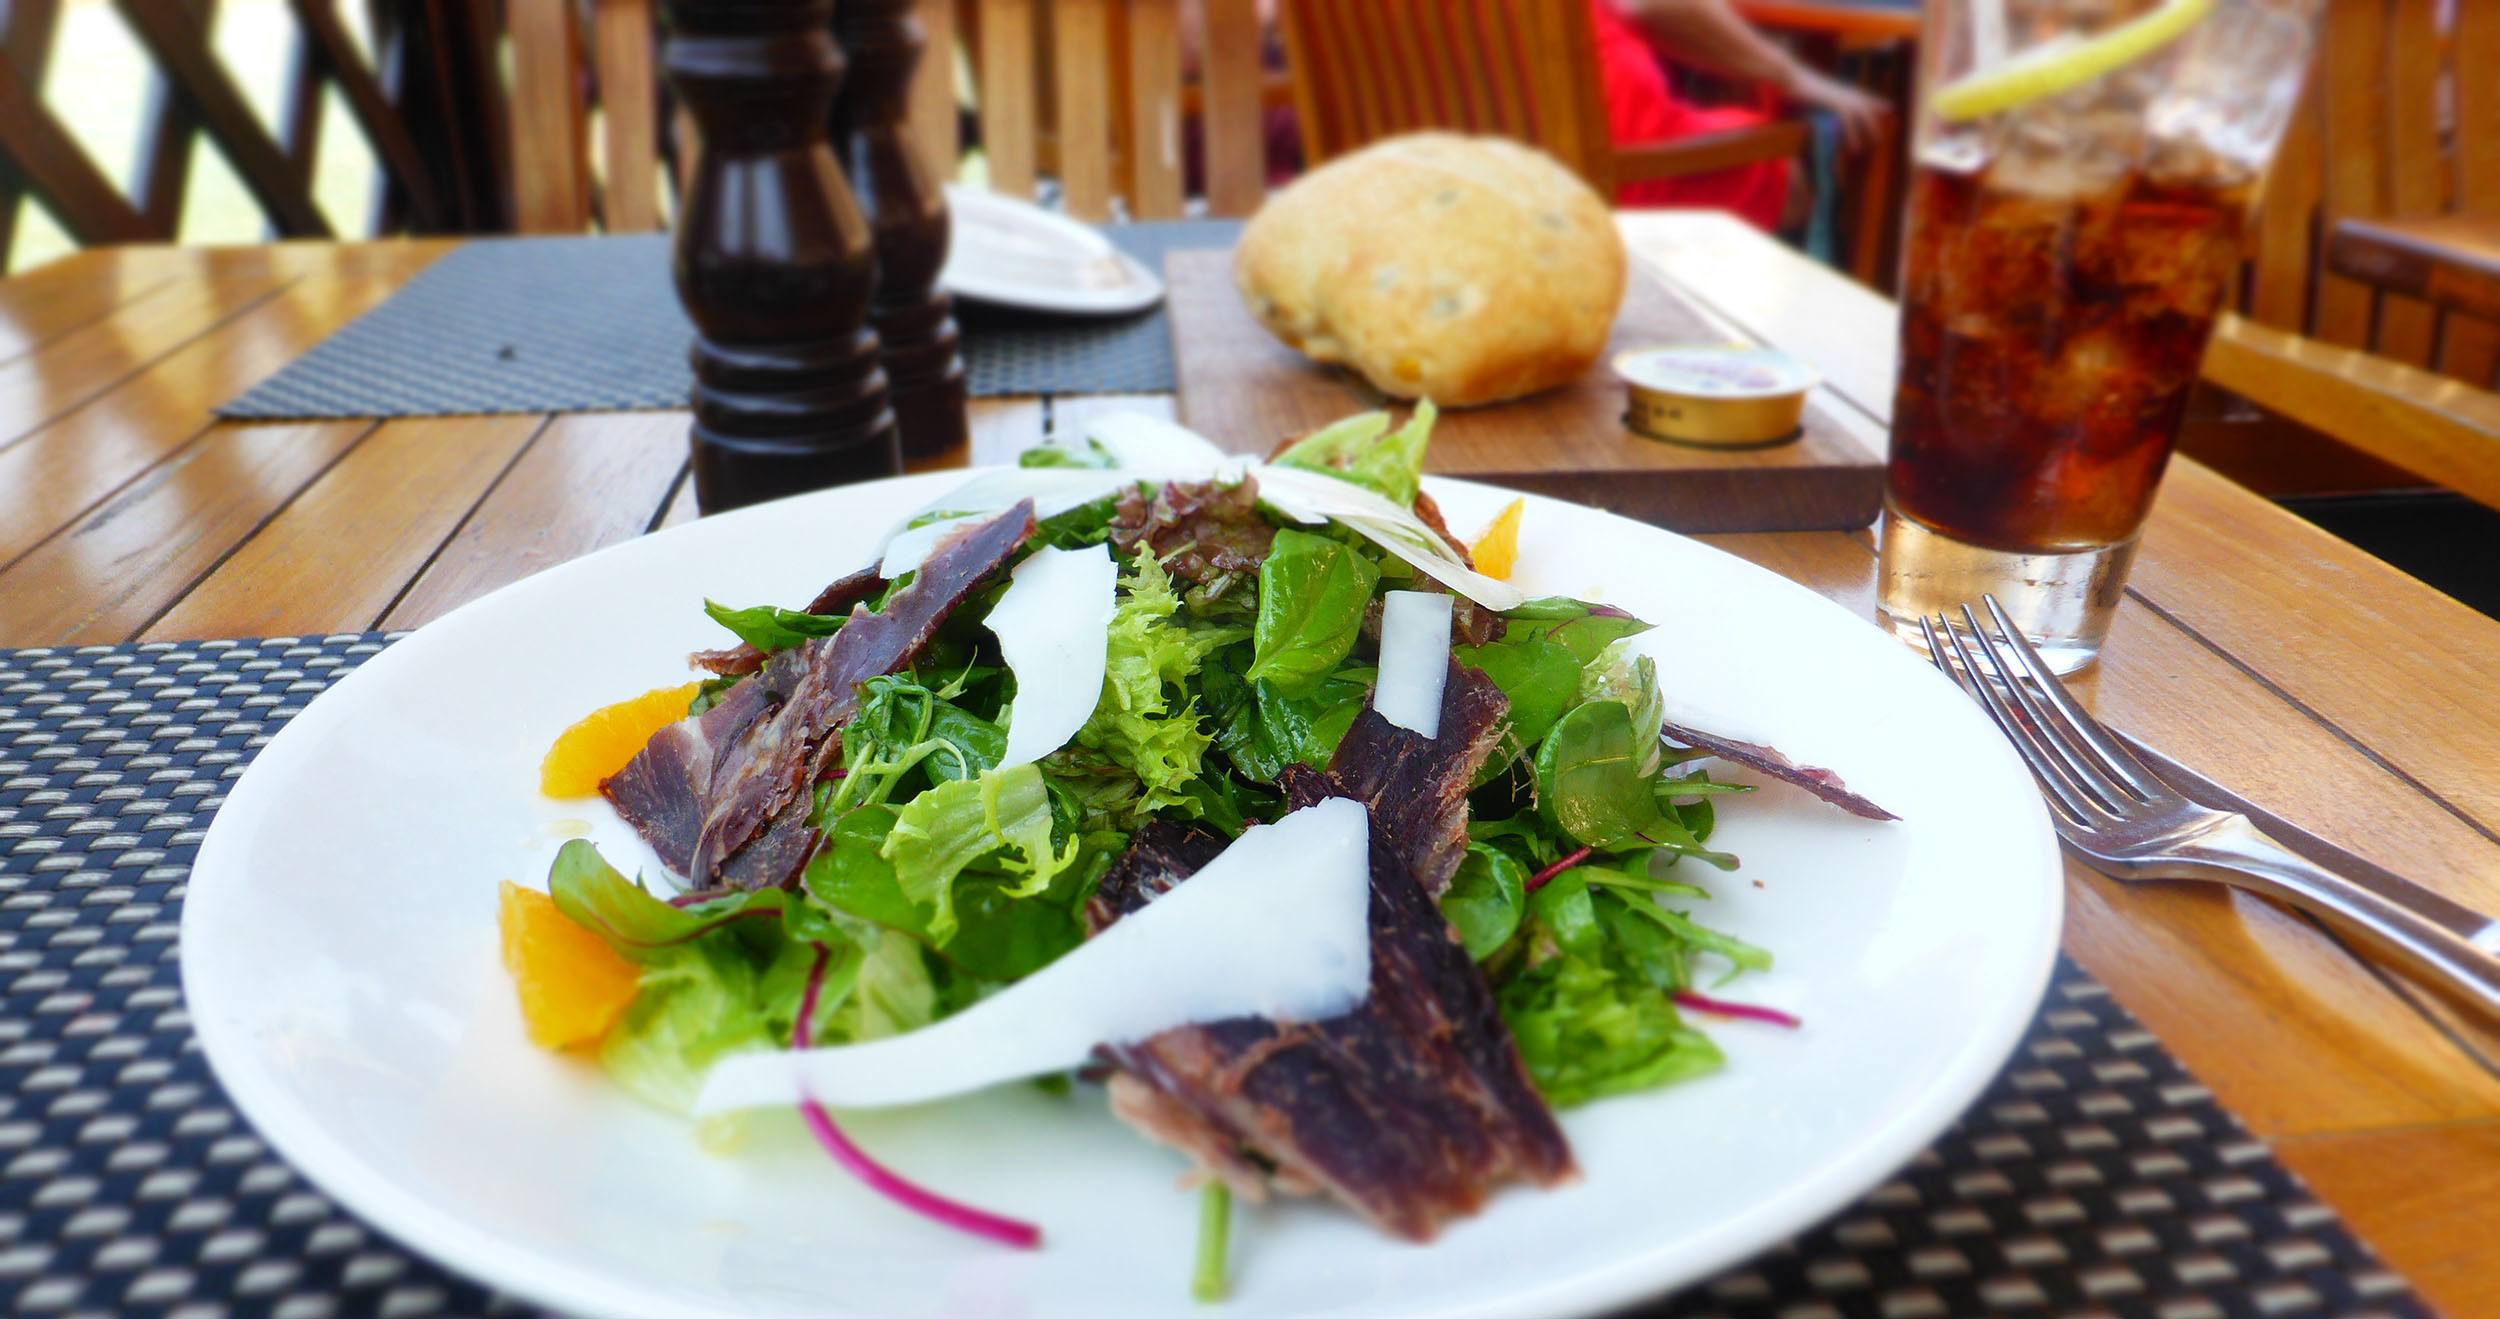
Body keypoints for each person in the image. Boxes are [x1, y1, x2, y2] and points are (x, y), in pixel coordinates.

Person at [1591, 0, 1890, 229]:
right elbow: (1649, 4)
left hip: (1560, 170)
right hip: (1623, 170)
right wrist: (1798, 78)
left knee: (1742, 106)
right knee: (1804, 166)